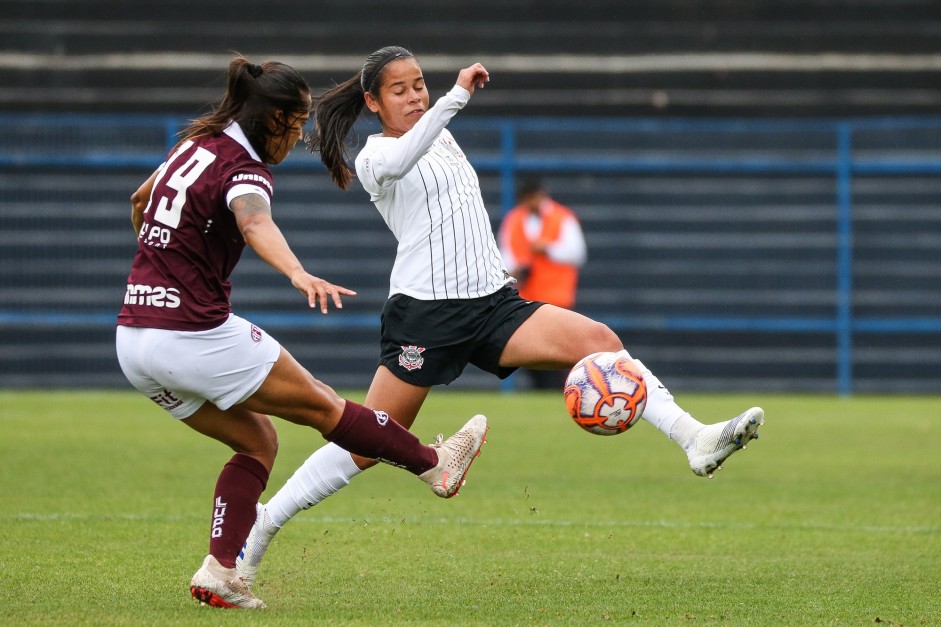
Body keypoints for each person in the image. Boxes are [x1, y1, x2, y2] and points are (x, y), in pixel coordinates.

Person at [235, 46, 765, 586]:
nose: (416, 95)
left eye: (420, 84)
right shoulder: (375, 156)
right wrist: (455, 96)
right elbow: (402, 158)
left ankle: (695, 439)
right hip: (426, 317)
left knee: (598, 338)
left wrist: (445, 108)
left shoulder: (440, 132)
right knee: (366, 444)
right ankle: (261, 529)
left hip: (494, 304)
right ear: (373, 102)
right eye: (400, 90)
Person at [115, 54, 488, 610]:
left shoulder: (193, 147)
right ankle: (434, 465)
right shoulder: (244, 168)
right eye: (297, 125)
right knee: (323, 407)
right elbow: (254, 220)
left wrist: (167, 263)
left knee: (258, 440)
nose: (298, 138)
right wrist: (296, 271)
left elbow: (141, 202)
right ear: (275, 121)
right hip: (193, 334)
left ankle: (221, 570)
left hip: (133, 341)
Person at [498, 178, 587, 389]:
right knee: (533, 356)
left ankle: (563, 390)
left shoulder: (563, 217)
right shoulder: (513, 220)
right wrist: (515, 270)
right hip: (526, 299)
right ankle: (544, 391)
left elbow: (577, 253)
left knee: (561, 353)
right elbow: (505, 257)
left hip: (558, 298)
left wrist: (549, 249)